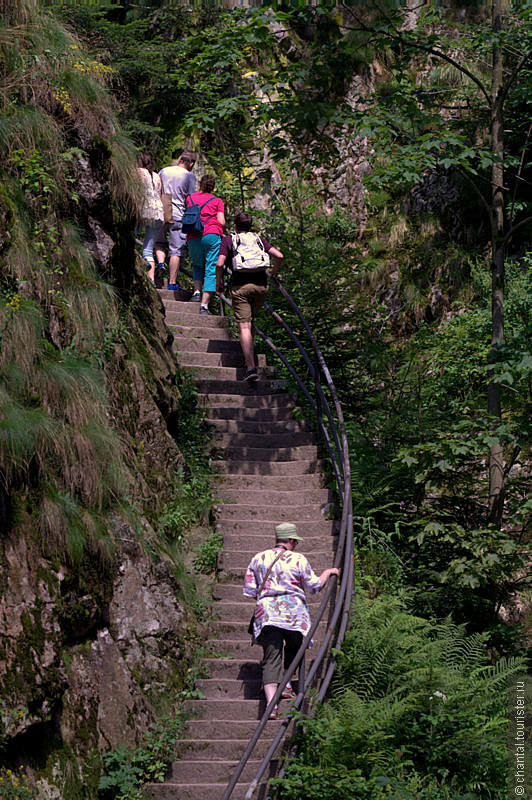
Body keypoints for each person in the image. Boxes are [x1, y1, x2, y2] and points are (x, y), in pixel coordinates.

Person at [243, 522, 340, 719]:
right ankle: (286, 683)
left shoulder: (258, 558)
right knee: (295, 646)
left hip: (268, 614)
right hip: (294, 615)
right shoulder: (298, 559)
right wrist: (328, 573)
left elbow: (251, 590)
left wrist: (269, 600)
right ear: (292, 540)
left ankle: (271, 704)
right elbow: (314, 586)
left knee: (271, 657)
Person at [216, 212, 283, 381]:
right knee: (250, 321)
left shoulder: (229, 240)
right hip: (261, 287)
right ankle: (249, 358)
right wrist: (273, 272)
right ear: (250, 225)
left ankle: (251, 368)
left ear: (235, 225)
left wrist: (219, 282)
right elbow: (279, 255)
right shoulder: (258, 239)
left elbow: (219, 263)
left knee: (244, 326)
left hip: (241, 287)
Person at [155, 150, 196, 291]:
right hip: (178, 216)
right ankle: (172, 283)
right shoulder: (189, 176)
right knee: (176, 251)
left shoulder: (164, 171)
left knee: (158, 242)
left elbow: (157, 189)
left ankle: (160, 263)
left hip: (161, 212)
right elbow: (190, 198)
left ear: (179, 160)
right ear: (191, 163)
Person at [185, 174, 225, 314]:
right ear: (213, 187)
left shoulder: (190, 198)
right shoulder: (217, 201)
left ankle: (196, 292)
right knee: (211, 269)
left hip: (193, 236)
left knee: (197, 264)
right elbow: (221, 221)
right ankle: (204, 306)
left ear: (200, 185)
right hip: (211, 235)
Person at [136, 153, 164, 286]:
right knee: (148, 249)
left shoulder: (138, 172)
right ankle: (151, 280)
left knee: (131, 238)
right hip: (158, 211)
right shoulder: (157, 176)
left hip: (143, 209)